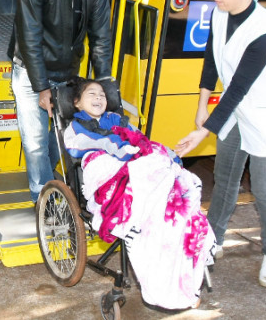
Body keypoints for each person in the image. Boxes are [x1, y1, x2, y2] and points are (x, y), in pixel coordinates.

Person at [175, 0, 266, 290]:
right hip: (235, 111)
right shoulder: (220, 12)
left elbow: (240, 88)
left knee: (264, 188)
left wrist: (203, 131)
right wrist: (202, 106)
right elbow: (211, 60)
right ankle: (211, 241)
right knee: (225, 178)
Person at [63, 77, 210, 310]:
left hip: (133, 164)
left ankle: (178, 283)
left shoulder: (119, 120)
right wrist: (107, 145)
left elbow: (142, 140)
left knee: (170, 206)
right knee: (148, 180)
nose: (99, 97)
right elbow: (76, 145)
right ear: (78, 103)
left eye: (102, 94)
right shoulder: (76, 126)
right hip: (102, 167)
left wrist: (161, 152)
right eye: (91, 94)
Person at [9, 0, 112, 202]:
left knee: (61, 140)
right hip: (32, 73)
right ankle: (43, 204)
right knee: (37, 144)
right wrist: (42, 88)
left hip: (67, 73)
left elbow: (101, 35)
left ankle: (50, 188)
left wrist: (103, 82)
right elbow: (29, 39)